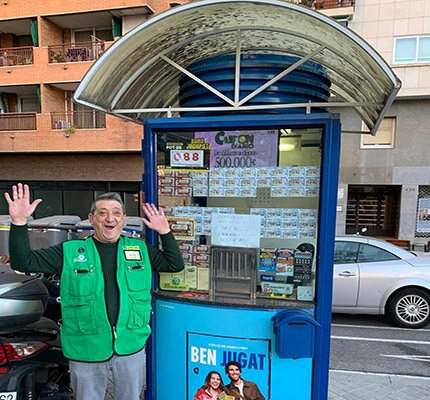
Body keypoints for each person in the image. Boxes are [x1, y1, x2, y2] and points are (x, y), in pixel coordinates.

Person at [4, 183, 184, 400]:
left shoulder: (140, 250)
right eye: (103, 213)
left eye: (117, 213)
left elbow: (174, 264)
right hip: (86, 348)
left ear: (123, 220)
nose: (110, 218)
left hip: (130, 345)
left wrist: (164, 231)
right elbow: (25, 261)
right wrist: (19, 222)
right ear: (91, 219)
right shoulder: (69, 252)